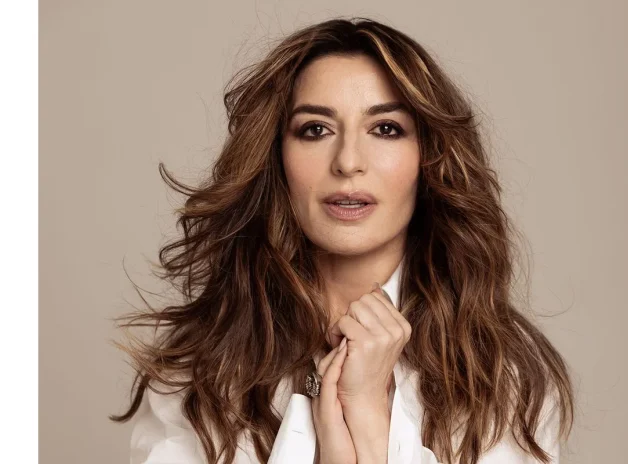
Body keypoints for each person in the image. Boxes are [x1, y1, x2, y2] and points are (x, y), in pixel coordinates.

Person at [110, 17, 575, 464]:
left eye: (386, 129)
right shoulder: (198, 370)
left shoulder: (505, 376)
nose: (348, 161)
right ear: (276, 158)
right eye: (315, 129)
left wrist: (369, 419)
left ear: (429, 157)